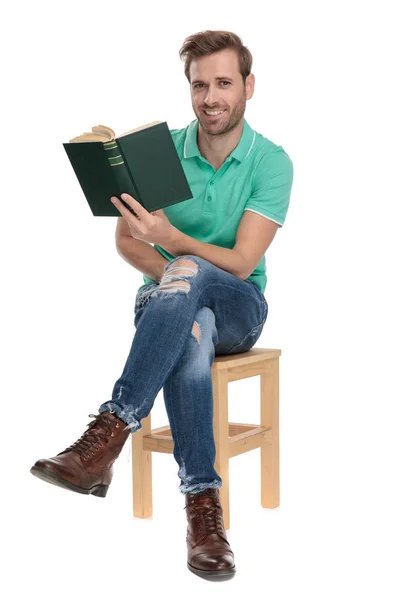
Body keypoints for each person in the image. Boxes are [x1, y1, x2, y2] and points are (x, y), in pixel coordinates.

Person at [30, 29, 294, 580]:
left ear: (249, 86)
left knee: (196, 279)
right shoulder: (162, 152)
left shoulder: (271, 162)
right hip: (171, 305)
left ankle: (108, 432)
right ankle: (204, 512)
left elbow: (243, 262)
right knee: (188, 323)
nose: (211, 97)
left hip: (240, 308)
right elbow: (128, 242)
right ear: (189, 90)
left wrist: (177, 251)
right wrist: (180, 274)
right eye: (200, 85)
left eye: (224, 82)